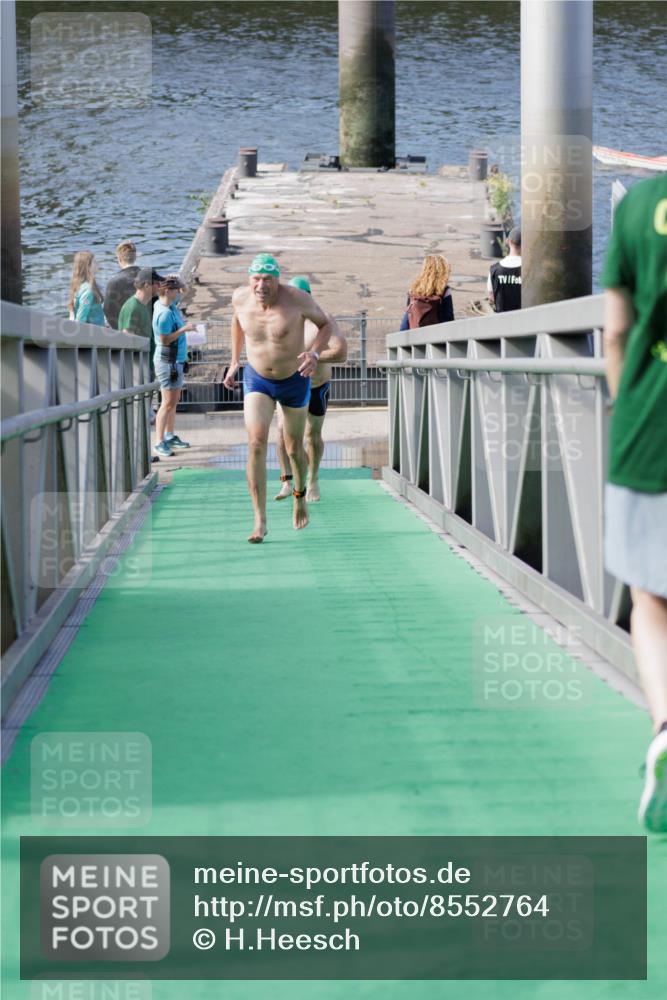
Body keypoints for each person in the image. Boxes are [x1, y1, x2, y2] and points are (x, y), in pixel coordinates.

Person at [601, 173, 667, 833]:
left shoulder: (639, 208)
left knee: (650, 595)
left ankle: (663, 726)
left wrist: (625, 405)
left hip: (650, 430)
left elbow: (614, 335)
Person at [223, 253, 333, 543]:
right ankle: (259, 521)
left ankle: (299, 496)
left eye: (267, 279)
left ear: (277, 280)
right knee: (255, 442)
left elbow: (326, 325)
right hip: (258, 377)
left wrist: (315, 353)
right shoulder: (240, 298)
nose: (261, 285)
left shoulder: (296, 299)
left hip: (294, 379)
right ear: (249, 279)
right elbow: (237, 322)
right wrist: (235, 360)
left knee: (294, 448)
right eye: (256, 279)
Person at [274, 276, 348, 502]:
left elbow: (341, 353)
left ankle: (313, 478)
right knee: (281, 433)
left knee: (311, 435)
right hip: (289, 385)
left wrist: (314, 356)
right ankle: (287, 480)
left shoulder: (322, 319)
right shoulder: (281, 318)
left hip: (317, 386)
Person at [152, 274, 195, 458]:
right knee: (167, 403)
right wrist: (184, 329)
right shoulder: (163, 314)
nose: (179, 292)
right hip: (167, 362)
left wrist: (180, 281)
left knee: (173, 402)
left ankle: (169, 435)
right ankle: (159, 441)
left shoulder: (168, 305)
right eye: (176, 289)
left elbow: (187, 292)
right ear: (168, 291)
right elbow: (165, 339)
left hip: (176, 361)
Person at [400, 254, 454, 330]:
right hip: (437, 337)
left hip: (416, 337)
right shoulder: (444, 290)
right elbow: (448, 318)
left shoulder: (413, 291)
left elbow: (406, 320)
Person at [104, 240, 141, 329]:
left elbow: (108, 311)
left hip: (123, 330)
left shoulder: (114, 282)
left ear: (119, 259)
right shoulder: (148, 277)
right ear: (135, 257)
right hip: (146, 329)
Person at [487, 227, 521, 312]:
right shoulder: (530, 270)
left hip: (502, 321)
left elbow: (491, 297)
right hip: (524, 320)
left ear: (507, 242)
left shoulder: (494, 269)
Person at [67, 250, 105, 325]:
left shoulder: (79, 285)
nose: (98, 264)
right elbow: (80, 319)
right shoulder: (88, 290)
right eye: (95, 262)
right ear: (88, 266)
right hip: (95, 333)